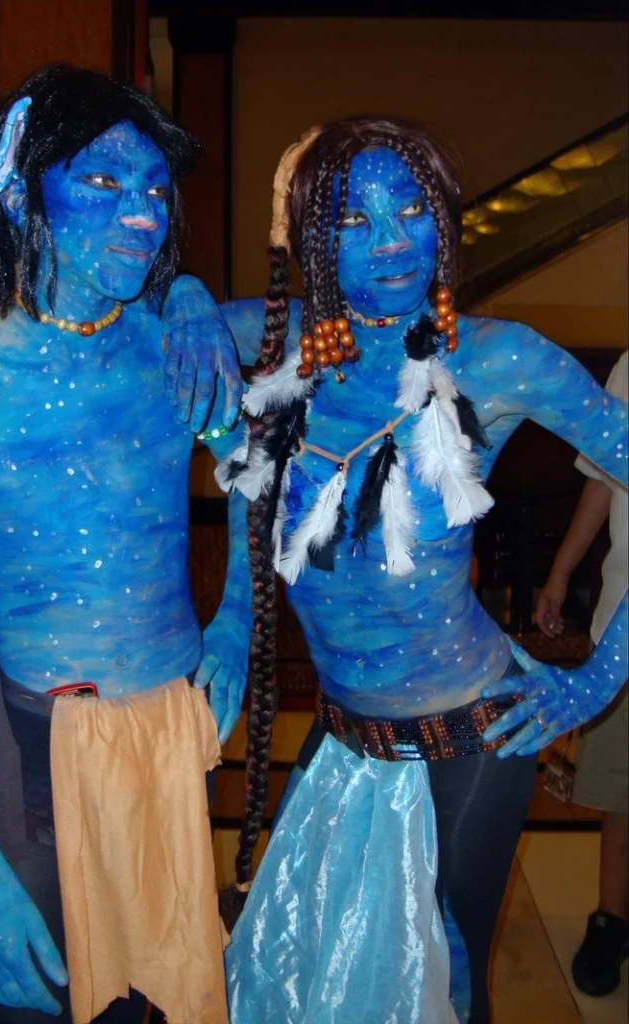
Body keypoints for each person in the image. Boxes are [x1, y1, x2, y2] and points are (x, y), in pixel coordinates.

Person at [171, 118, 629, 1023]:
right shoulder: (268, 340)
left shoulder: (499, 358)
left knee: (444, 988)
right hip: (343, 730)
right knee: (308, 964)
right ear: (309, 238)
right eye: (353, 219)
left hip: (474, 738)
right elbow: (247, 469)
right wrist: (185, 293)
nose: (390, 240)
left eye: (412, 210)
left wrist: (599, 676)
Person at [0, 63, 248, 1024]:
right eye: (102, 181)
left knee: (152, 996)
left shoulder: (173, 349)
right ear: (21, 192)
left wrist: (237, 619)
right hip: (36, 745)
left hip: (171, 726)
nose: (143, 214)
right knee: (27, 1000)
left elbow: (258, 470)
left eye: (156, 190)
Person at [537, 349, 628, 998]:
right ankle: (610, 919)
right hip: (623, 619)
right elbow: (601, 476)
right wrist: (562, 570)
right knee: (620, 785)